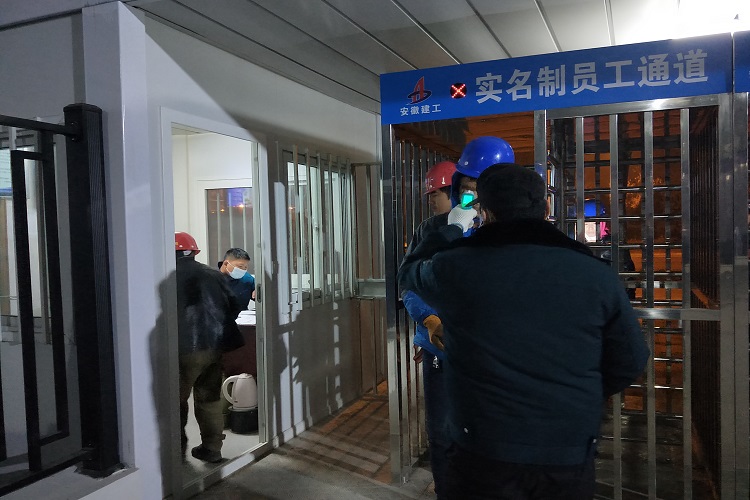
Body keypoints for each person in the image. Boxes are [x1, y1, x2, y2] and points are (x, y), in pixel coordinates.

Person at [398, 164, 649, 499]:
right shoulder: (595, 274)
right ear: (546, 207)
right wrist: (578, 392)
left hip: (482, 446)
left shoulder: (457, 266)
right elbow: (630, 360)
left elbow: (408, 274)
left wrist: (451, 229)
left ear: (484, 213)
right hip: (566, 447)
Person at [400, 138, 514, 499]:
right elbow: (411, 283)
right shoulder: (432, 229)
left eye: (481, 190)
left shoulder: (510, 234)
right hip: (442, 353)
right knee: (442, 430)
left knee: (493, 433)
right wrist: (430, 322)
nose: (472, 197)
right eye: (466, 187)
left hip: (494, 356)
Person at [175, 232, 245, 463]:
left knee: (176, 400)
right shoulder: (213, 274)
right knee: (210, 398)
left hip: (182, 348)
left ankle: (177, 451)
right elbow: (233, 305)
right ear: (194, 252)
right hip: (214, 346)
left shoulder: (167, 277)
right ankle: (212, 448)